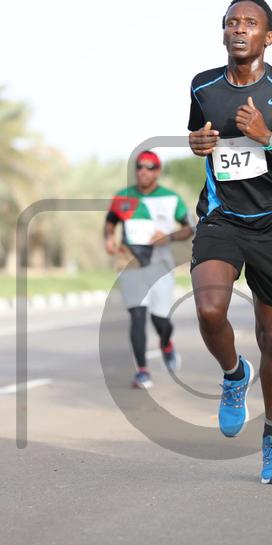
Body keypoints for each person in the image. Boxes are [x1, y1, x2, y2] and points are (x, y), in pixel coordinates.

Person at [188, 0, 272, 484]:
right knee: (209, 310)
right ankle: (233, 374)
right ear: (223, 32)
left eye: (250, 22)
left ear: (269, 37)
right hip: (221, 219)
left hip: (271, 226)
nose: (239, 28)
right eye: (232, 22)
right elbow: (201, 137)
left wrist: (269, 138)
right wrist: (197, 143)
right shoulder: (203, 87)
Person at [104, 150, 193, 388]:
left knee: (159, 319)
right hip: (130, 262)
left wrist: (168, 236)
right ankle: (142, 371)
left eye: (149, 167)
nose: (143, 171)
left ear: (158, 171)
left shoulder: (171, 198)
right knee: (137, 315)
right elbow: (111, 221)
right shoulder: (123, 197)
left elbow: (189, 228)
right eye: (139, 166)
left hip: (160, 263)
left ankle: (166, 344)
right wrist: (109, 237)